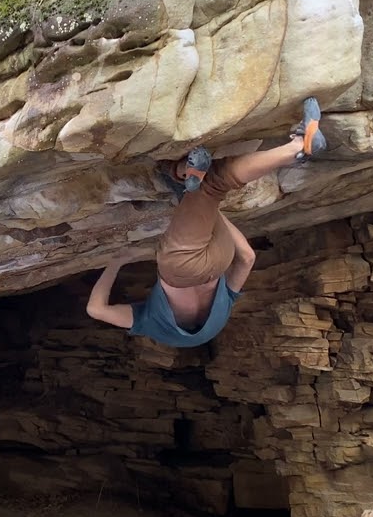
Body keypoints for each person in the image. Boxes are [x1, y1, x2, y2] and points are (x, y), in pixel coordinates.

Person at [85, 97, 327, 347]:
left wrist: (211, 211)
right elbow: (96, 310)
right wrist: (116, 262)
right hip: (182, 266)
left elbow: (247, 258)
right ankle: (299, 147)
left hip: (220, 258)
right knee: (213, 184)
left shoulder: (220, 316)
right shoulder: (152, 326)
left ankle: (187, 178)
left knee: (199, 184)